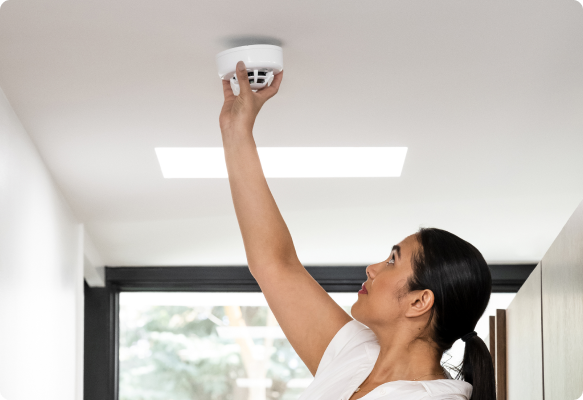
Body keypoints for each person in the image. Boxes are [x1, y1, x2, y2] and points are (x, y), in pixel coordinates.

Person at [218, 61, 496, 400]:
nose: (373, 268)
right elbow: (274, 263)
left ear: (419, 301)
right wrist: (236, 130)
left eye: (393, 261)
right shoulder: (356, 356)